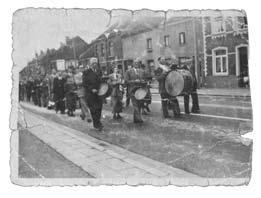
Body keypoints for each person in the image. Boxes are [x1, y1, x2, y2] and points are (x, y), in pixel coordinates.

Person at [82, 57, 103, 130]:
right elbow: (84, 83)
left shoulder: (99, 71)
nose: (95, 64)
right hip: (90, 94)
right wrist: (91, 89)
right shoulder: (86, 72)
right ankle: (96, 124)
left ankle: (98, 121)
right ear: (90, 64)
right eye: (93, 63)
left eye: (96, 63)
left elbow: (101, 81)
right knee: (93, 109)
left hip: (99, 93)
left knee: (99, 108)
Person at [124, 59, 146, 123]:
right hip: (132, 90)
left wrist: (142, 81)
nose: (136, 64)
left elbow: (145, 79)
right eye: (135, 63)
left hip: (140, 91)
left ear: (139, 64)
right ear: (133, 64)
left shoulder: (142, 71)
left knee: (139, 105)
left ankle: (136, 119)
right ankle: (139, 118)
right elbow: (126, 81)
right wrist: (134, 81)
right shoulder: (128, 71)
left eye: (137, 63)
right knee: (135, 105)